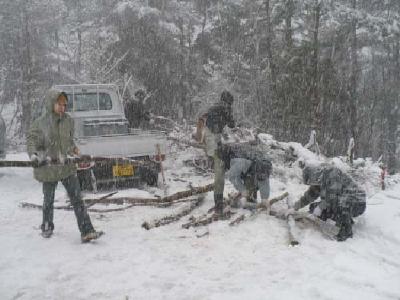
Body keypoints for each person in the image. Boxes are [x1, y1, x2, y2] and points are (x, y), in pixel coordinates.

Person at [26, 88, 103, 242]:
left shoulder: (68, 120)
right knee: (48, 199)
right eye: (59, 104)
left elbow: (68, 141)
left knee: (77, 198)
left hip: (66, 166)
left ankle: (87, 230)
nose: (62, 107)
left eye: (64, 104)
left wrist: (74, 150)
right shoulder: (40, 123)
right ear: (51, 104)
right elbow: (31, 140)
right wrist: (33, 154)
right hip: (48, 167)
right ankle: (47, 226)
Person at [294, 165, 366, 241]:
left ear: (314, 175)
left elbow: (333, 198)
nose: (312, 184)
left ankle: (345, 231)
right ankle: (340, 220)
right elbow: (308, 196)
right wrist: (295, 207)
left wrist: (320, 208)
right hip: (341, 201)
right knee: (314, 207)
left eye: (311, 181)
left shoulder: (332, 174)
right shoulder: (318, 180)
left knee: (338, 205)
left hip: (357, 203)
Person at [203, 90, 235, 218]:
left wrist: (222, 133)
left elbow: (215, 124)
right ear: (228, 101)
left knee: (219, 167)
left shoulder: (215, 107)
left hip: (211, 137)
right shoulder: (224, 108)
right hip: (213, 139)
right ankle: (218, 203)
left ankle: (218, 200)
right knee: (220, 170)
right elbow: (231, 123)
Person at [223, 142, 272, 208]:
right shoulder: (243, 163)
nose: (262, 177)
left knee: (252, 180)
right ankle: (247, 199)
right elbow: (232, 176)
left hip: (250, 166)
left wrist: (265, 198)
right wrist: (242, 190)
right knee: (248, 181)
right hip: (226, 156)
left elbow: (264, 181)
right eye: (260, 175)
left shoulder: (264, 166)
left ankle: (251, 198)